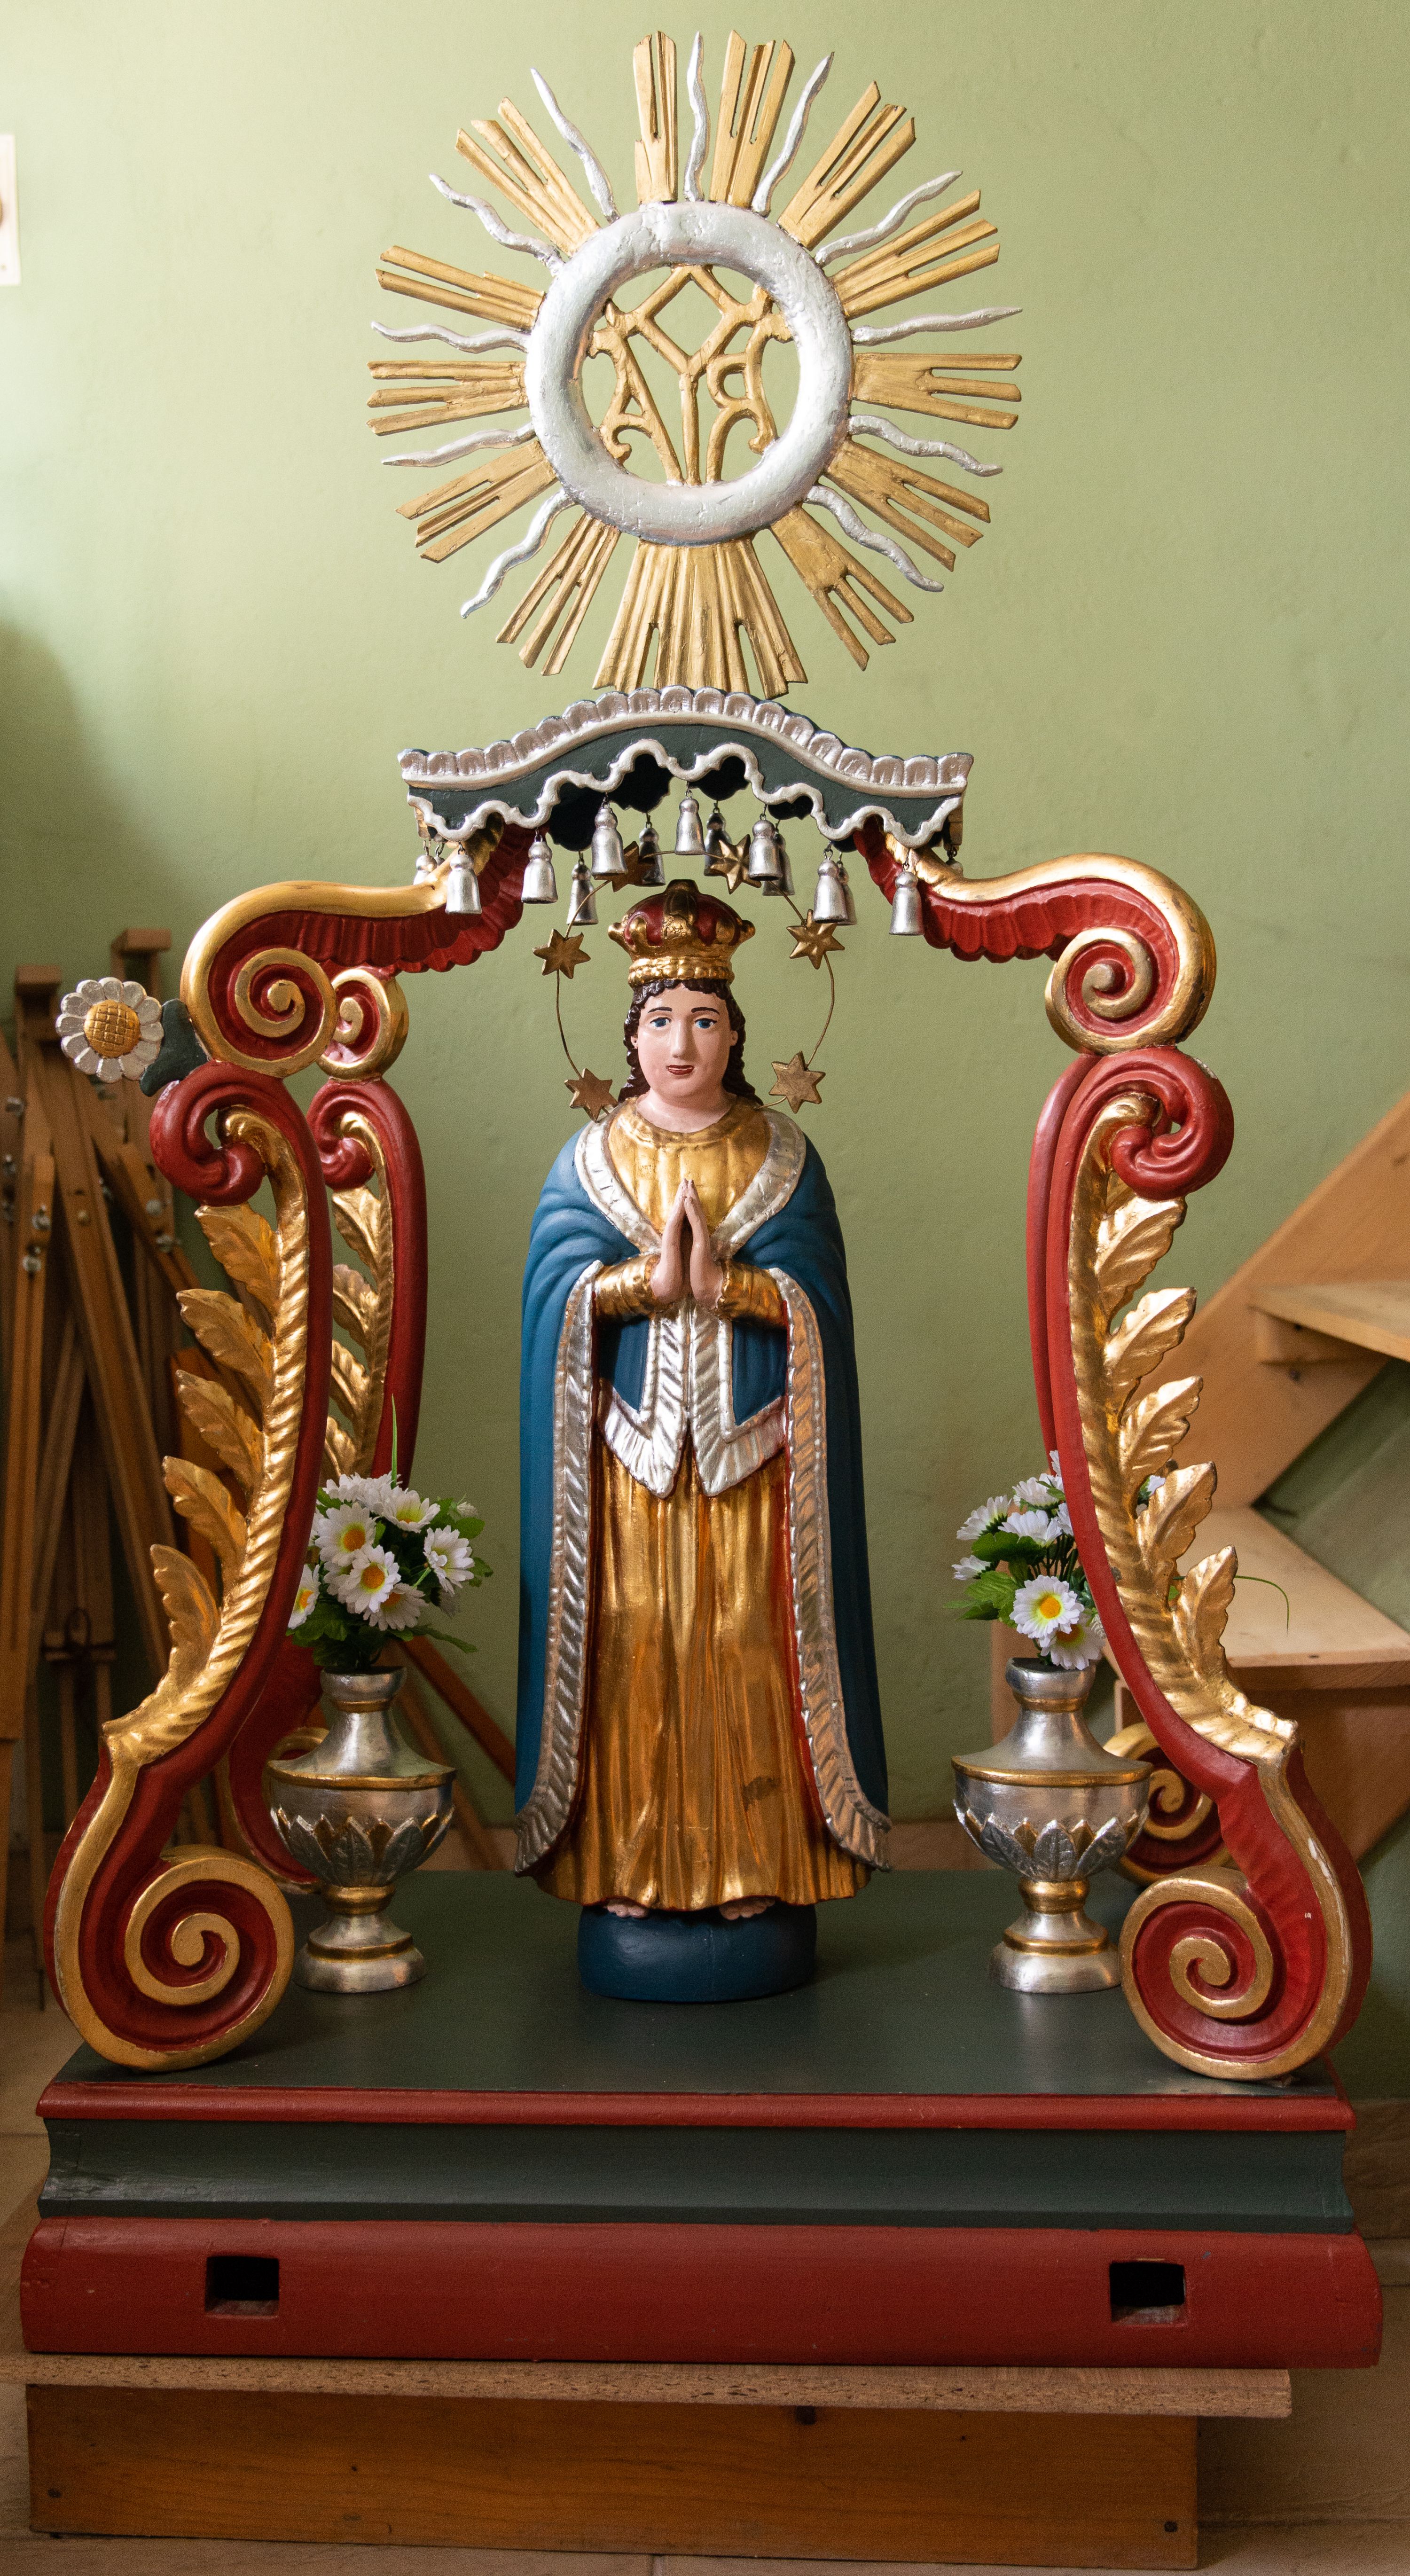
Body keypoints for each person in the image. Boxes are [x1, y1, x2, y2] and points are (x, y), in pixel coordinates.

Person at [516, 877, 888, 1926]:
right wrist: (636, 1286)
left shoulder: (782, 1154)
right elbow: (552, 1296)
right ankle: (628, 1865)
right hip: (627, 1463)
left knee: (743, 1644)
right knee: (634, 1646)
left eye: (707, 1020)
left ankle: (756, 1865)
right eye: (662, 1020)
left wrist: (739, 1290)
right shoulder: (591, 1158)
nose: (683, 1044)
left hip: (752, 1459)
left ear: (736, 1033)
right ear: (631, 1035)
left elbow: (821, 1299)